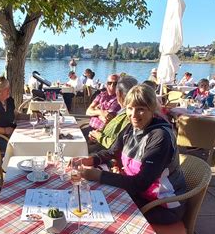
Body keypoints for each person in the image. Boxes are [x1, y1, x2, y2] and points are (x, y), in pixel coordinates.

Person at [80, 84, 186, 225]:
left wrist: (98, 175)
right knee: (90, 197)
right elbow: (112, 151)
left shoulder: (160, 137)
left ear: (152, 109)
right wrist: (90, 160)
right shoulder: (132, 127)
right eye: (130, 108)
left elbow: (140, 183)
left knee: (100, 208)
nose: (134, 115)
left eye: (141, 109)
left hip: (162, 205)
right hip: (140, 194)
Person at [88, 75, 138, 153]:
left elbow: (117, 145)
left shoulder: (129, 116)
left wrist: (98, 136)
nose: (112, 86)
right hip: (99, 138)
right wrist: (101, 112)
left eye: (115, 84)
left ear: (119, 94)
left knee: (78, 149)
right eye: (109, 83)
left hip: (106, 152)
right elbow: (88, 111)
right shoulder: (122, 113)